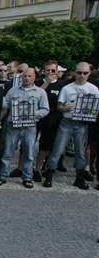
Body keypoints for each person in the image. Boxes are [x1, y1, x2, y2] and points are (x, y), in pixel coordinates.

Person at [44, 62, 99, 190]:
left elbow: (96, 109)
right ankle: (49, 174)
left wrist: (91, 115)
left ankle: (79, 177)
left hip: (82, 123)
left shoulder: (94, 89)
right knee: (58, 148)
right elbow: (59, 106)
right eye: (79, 73)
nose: (82, 75)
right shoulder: (67, 88)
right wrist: (65, 108)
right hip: (67, 122)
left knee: (80, 151)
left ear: (89, 73)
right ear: (75, 73)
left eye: (85, 73)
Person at [0, 68, 49, 189]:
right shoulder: (13, 91)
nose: (27, 78)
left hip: (29, 127)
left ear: (34, 77)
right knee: (8, 152)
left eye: (29, 76)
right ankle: (3, 176)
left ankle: (27, 178)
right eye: (24, 76)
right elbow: (5, 104)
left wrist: (34, 114)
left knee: (29, 153)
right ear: (21, 77)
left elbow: (45, 109)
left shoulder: (40, 92)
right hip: (13, 126)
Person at [34, 61, 66, 181]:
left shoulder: (62, 85)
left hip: (52, 120)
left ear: (57, 71)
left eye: (53, 70)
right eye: (48, 70)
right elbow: (35, 96)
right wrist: (46, 82)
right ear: (44, 71)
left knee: (45, 145)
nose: (50, 73)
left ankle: (38, 168)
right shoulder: (38, 83)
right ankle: (24, 168)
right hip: (37, 118)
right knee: (29, 143)